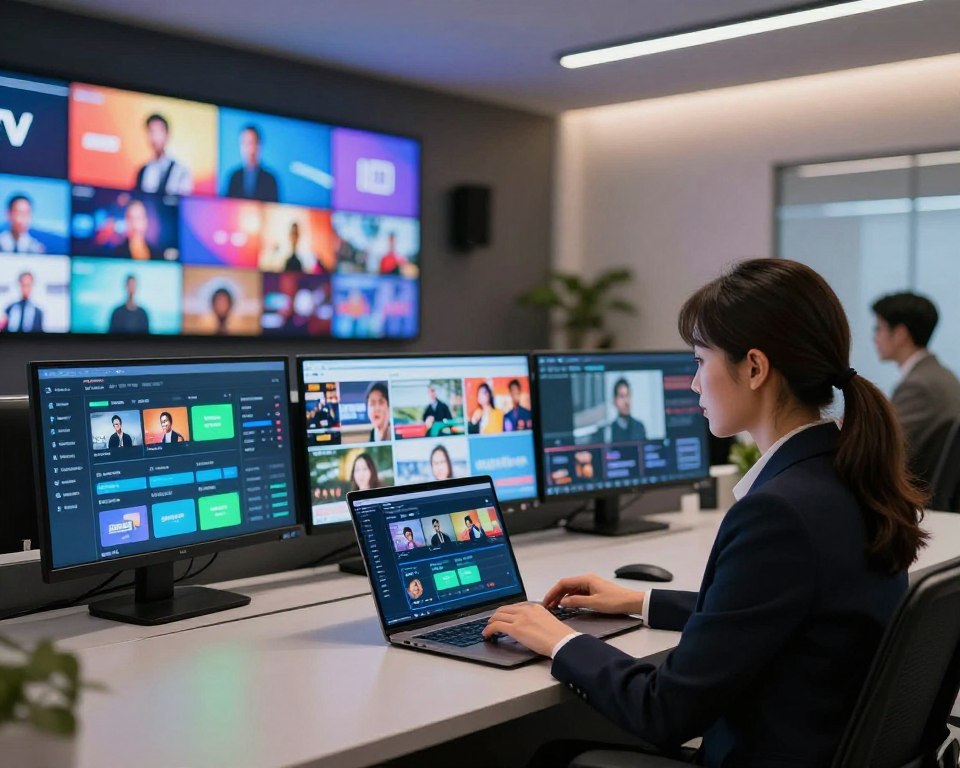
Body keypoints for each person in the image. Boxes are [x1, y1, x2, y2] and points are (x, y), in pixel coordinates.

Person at [483, 259, 928, 768]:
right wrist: (639, 600)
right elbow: (769, 608)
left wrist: (558, 640)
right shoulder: (841, 474)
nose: (694, 384)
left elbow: (664, 711)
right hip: (817, 746)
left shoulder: (778, 513)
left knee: (554, 758)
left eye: (699, 360)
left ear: (755, 368)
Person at [872, 291, 960, 484]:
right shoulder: (940, 375)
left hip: (915, 495)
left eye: (879, 328)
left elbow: (882, 449)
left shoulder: (920, 385)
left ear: (900, 334)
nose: (874, 338)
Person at [134, 114, 193, 195]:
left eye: (159, 131)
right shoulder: (143, 171)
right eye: (151, 131)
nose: (155, 137)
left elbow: (184, 200)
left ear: (167, 134)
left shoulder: (181, 170)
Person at [224, 125, 279, 202]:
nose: (247, 148)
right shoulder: (234, 177)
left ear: (259, 145)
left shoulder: (270, 179)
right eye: (243, 143)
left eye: (250, 143)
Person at [596, 378, 646, 443]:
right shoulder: (607, 431)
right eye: (622, 396)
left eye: (628, 396)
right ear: (614, 401)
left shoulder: (639, 427)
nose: (626, 402)